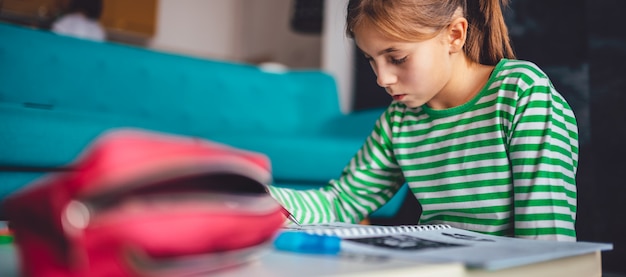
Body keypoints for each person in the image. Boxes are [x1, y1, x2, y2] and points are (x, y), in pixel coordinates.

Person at [269, 0, 578, 242]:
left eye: (397, 57)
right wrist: (258, 197)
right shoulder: (400, 119)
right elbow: (342, 201)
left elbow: (546, 235)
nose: (382, 78)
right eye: (370, 60)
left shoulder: (520, 92)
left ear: (454, 35)